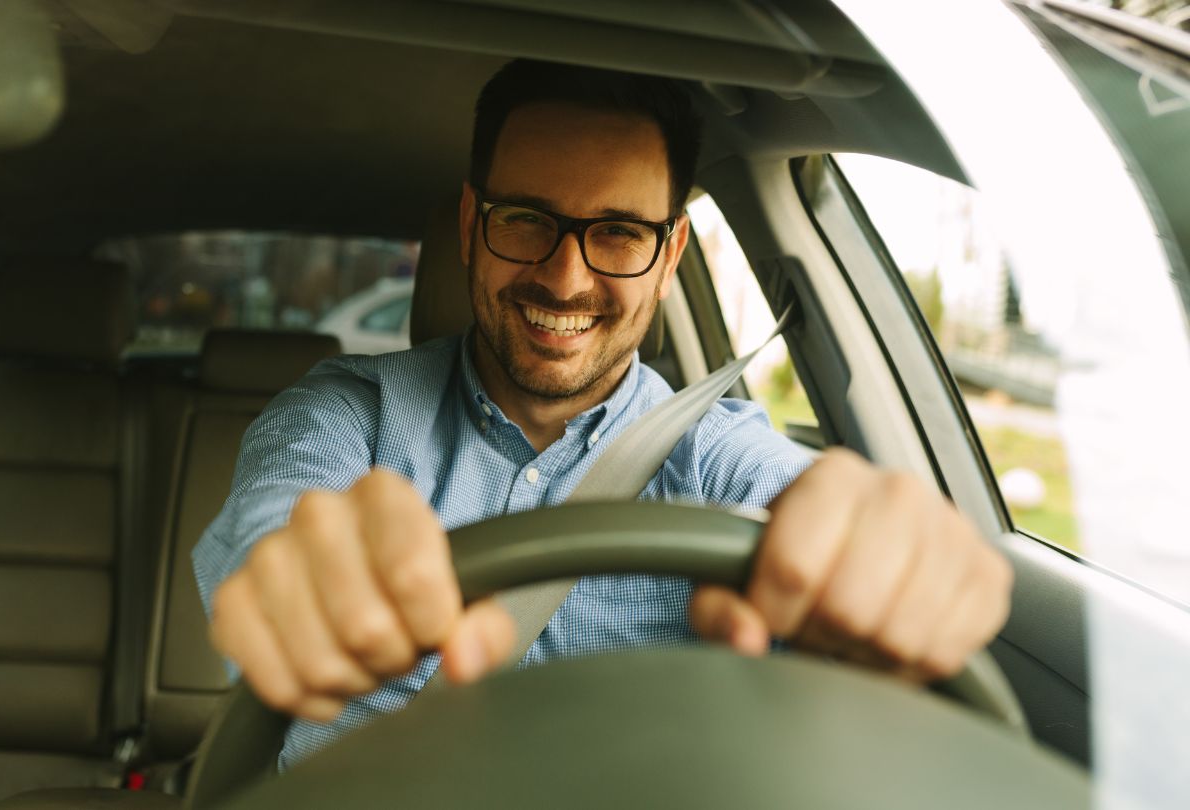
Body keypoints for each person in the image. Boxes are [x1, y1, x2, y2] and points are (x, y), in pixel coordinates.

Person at [193, 59, 1012, 769]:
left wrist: (878, 552)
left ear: (670, 259)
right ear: (473, 229)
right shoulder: (349, 411)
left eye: (618, 234)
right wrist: (297, 578)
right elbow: (275, 531)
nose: (564, 278)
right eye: (527, 222)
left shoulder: (718, 457)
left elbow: (806, 502)